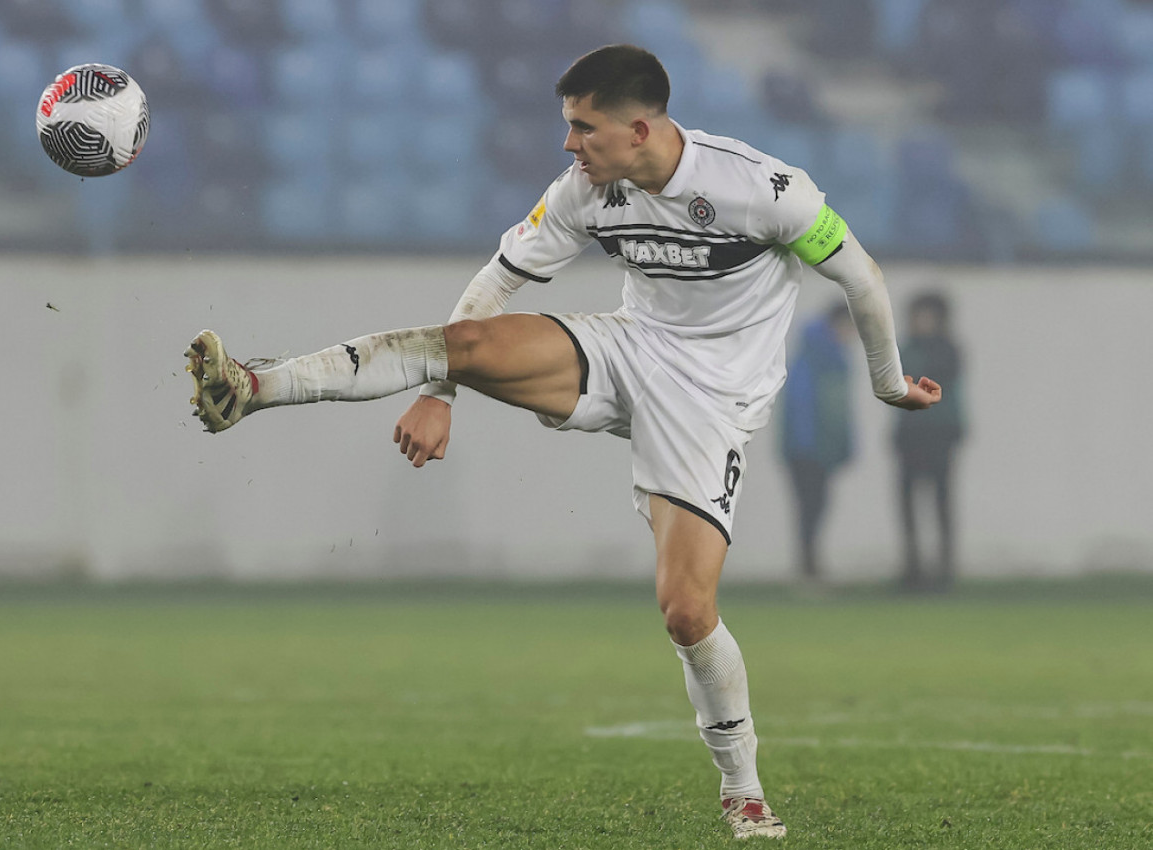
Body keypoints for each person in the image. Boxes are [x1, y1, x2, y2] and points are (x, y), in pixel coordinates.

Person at [184, 44, 942, 840]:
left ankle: (742, 789)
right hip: (628, 348)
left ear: (637, 130)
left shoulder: (764, 188)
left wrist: (888, 382)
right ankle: (253, 387)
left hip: (712, 401)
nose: (569, 144)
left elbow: (859, 276)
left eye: (583, 128)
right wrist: (441, 391)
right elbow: (496, 281)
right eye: (568, 126)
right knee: (462, 344)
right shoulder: (585, 189)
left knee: (686, 612)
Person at [893, 291, 964, 592]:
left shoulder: (948, 351)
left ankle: (945, 569)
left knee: (941, 503)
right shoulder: (905, 349)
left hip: (939, 435)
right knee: (908, 505)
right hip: (910, 436)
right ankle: (913, 568)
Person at [779, 302, 856, 582]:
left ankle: (811, 566)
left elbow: (841, 411)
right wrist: (807, 448)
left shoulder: (837, 361)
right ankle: (808, 570)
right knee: (810, 508)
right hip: (807, 452)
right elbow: (801, 408)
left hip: (821, 450)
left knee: (817, 507)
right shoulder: (811, 360)